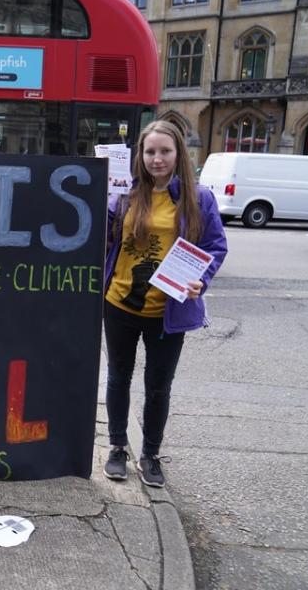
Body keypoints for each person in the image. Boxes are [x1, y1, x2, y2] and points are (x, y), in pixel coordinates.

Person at [102, 120, 227, 488]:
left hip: (167, 310)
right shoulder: (123, 194)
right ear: (140, 155)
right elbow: (103, 238)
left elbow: (215, 246)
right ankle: (117, 447)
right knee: (117, 378)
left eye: (165, 151)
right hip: (119, 303)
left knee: (158, 385)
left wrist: (200, 280)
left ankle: (151, 454)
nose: (157, 159)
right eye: (150, 151)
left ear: (178, 155)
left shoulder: (197, 197)